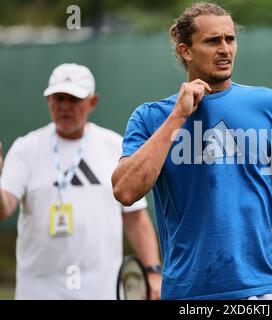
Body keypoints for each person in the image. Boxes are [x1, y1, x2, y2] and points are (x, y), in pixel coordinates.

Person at [112, 2, 272, 300]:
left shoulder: (271, 106)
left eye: (230, 39)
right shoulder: (150, 117)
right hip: (185, 294)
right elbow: (125, 190)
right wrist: (178, 116)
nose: (225, 49)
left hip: (259, 292)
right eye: (213, 41)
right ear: (185, 50)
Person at [0, 63, 162, 300]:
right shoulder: (26, 148)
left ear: (92, 102)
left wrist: (153, 271)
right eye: (59, 98)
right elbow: (5, 208)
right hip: (38, 291)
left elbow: (136, 218)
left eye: (74, 99)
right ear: (48, 101)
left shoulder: (114, 146)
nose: (65, 107)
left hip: (102, 291)